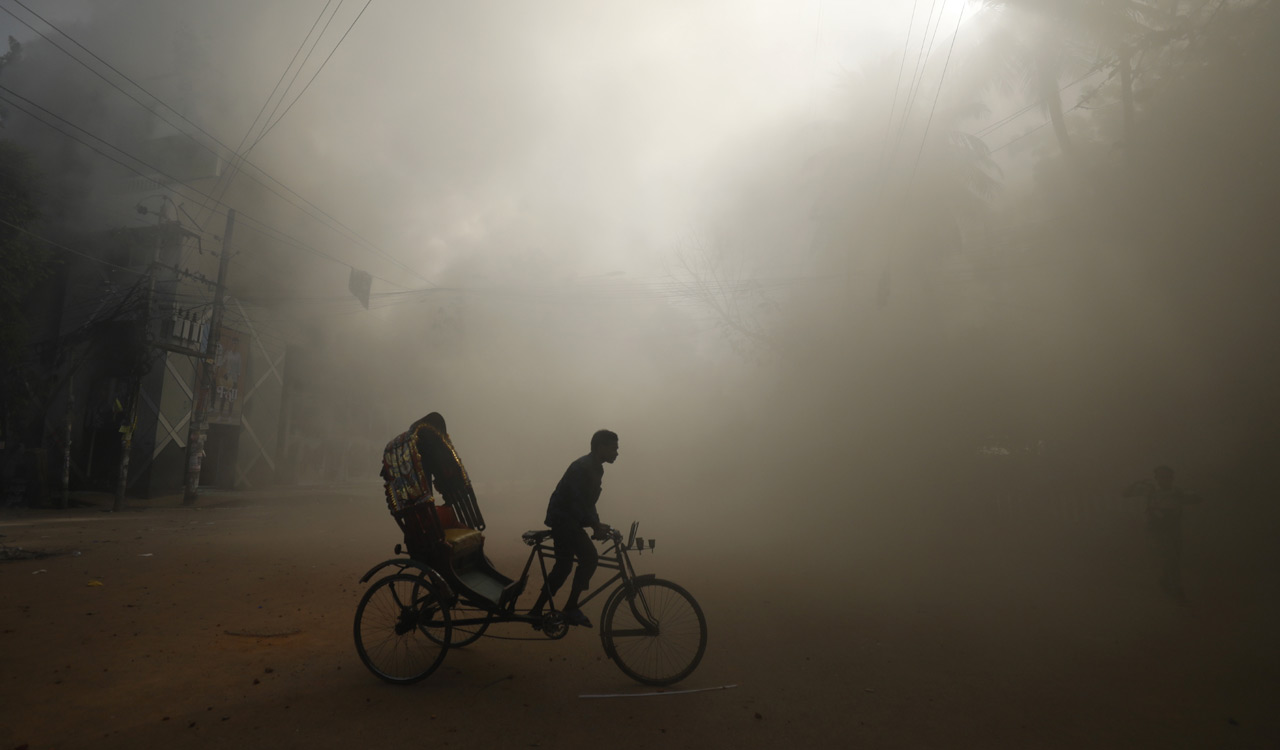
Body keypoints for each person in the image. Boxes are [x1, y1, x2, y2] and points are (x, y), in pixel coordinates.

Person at [530, 429, 619, 628]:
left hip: (570, 520)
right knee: (589, 558)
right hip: (563, 520)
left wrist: (596, 522)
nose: (617, 453)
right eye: (614, 448)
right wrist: (594, 525)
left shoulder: (596, 468)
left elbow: (589, 502)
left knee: (563, 567)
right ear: (600, 447)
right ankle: (570, 607)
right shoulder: (583, 467)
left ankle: (536, 611)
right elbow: (576, 501)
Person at [1123, 465, 1202, 600]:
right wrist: (1137, 484)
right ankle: (1177, 588)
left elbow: (1196, 498)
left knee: (1175, 557)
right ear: (1157, 478)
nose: (1165, 480)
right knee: (1170, 557)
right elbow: (1126, 493)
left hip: (1174, 529)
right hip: (1158, 529)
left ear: (1172, 478)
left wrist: (1191, 495)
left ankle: (1165, 580)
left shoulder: (1177, 492)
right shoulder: (1151, 491)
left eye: (1167, 477)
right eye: (1161, 477)